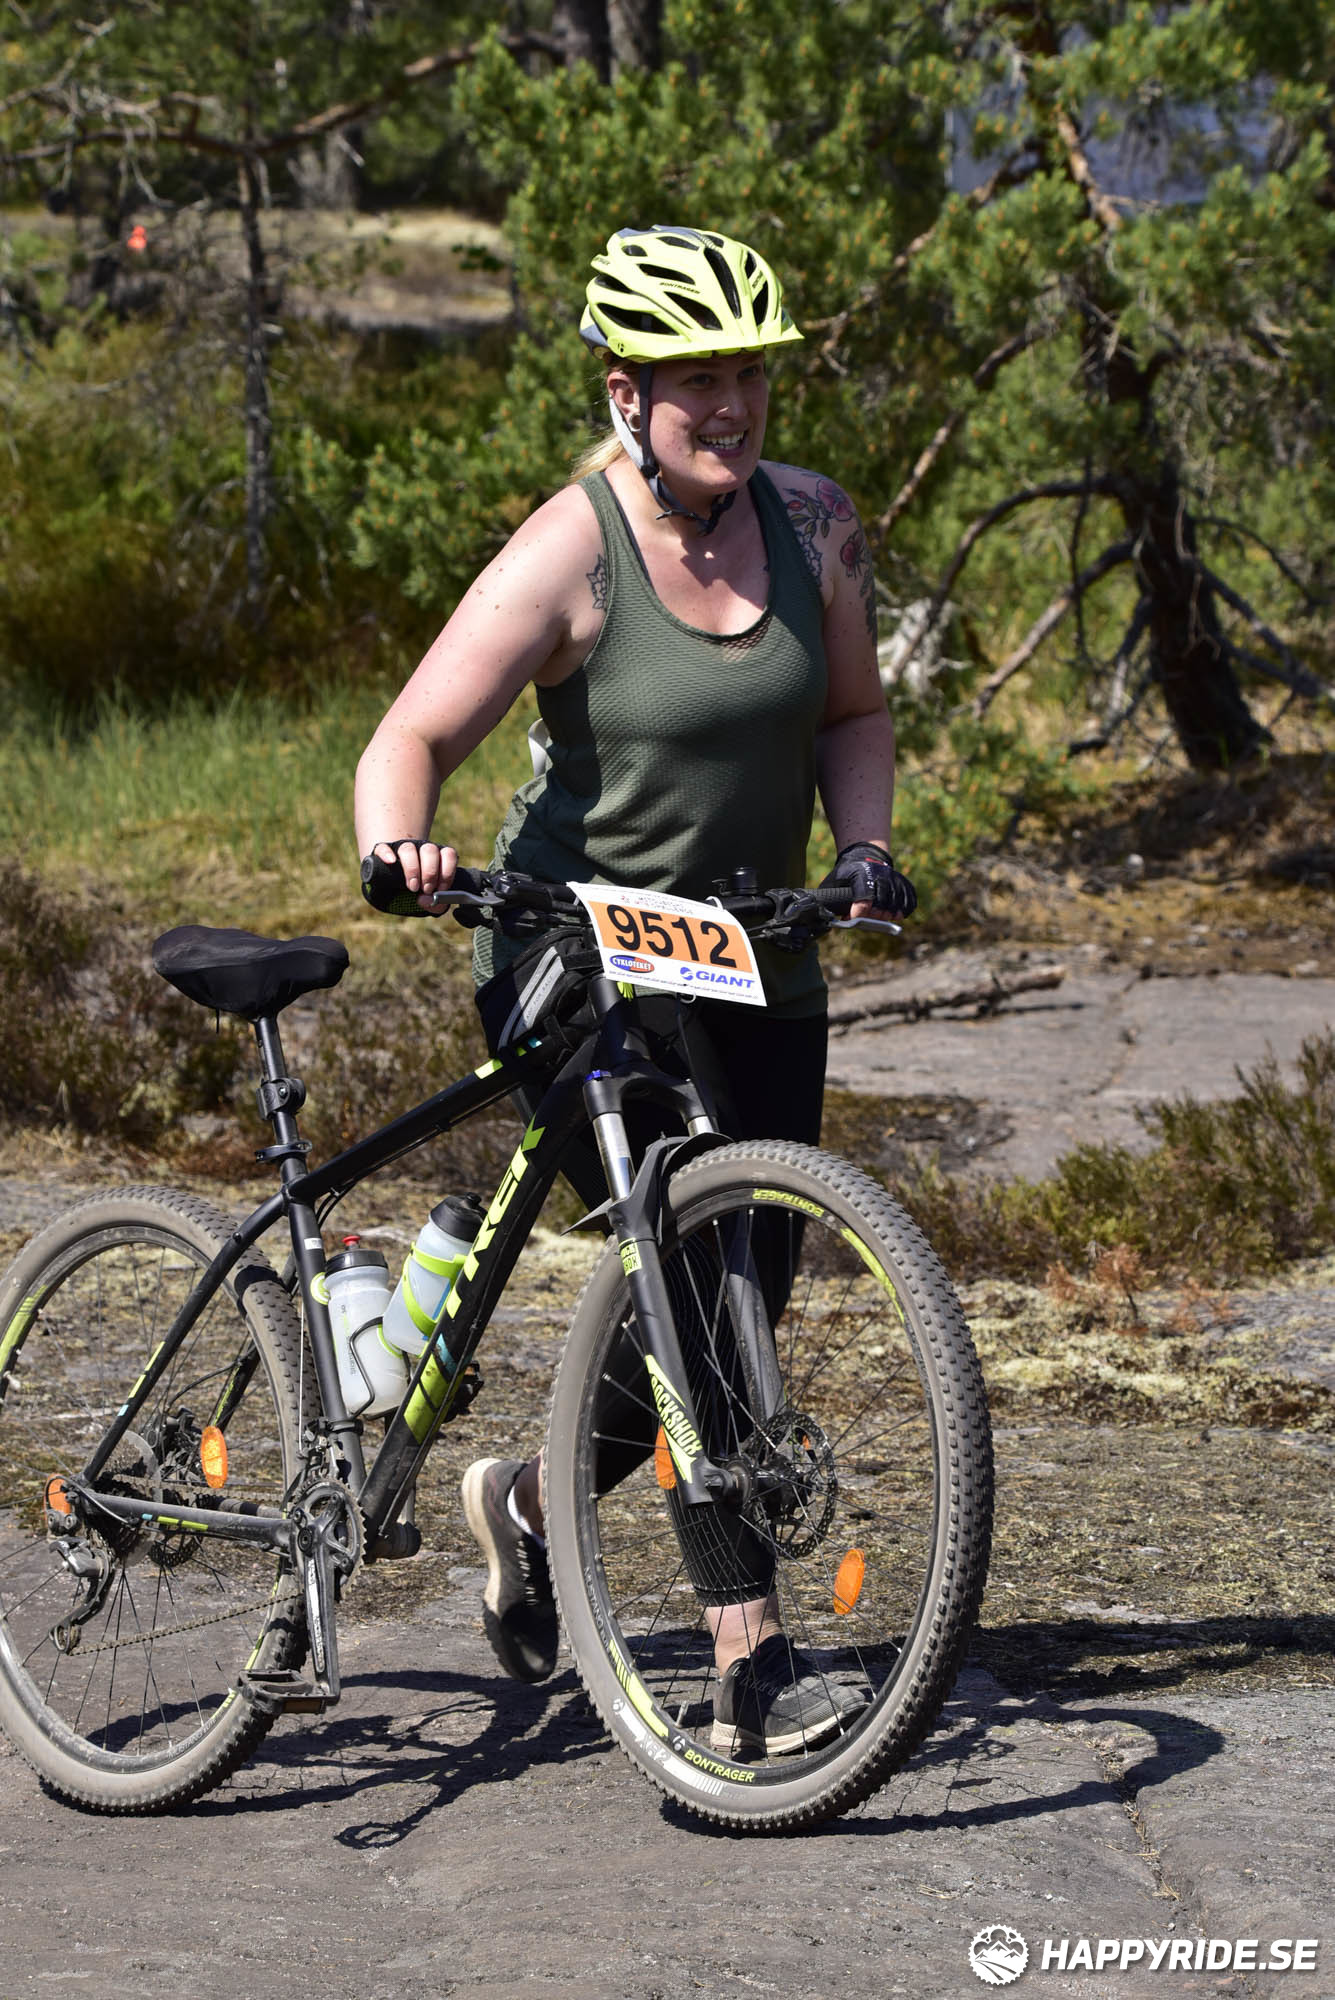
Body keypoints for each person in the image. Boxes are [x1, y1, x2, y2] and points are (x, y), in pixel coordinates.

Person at [355, 223, 915, 1755]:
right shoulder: (573, 550)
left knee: (746, 1287)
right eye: (695, 380)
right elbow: (408, 738)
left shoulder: (816, 524)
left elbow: (852, 713)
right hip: (574, 952)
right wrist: (399, 847)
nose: (731, 403)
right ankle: (750, 1661)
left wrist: (864, 848)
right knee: (695, 1294)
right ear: (626, 396)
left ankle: (527, 1505)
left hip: (752, 953)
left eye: (748, 373)